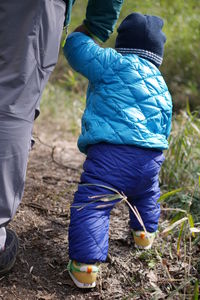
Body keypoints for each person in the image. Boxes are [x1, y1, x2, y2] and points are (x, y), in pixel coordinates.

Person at [0, 0, 124, 275]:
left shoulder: (110, 65)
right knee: (12, 100)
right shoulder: (157, 83)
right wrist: (96, 24)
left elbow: (81, 54)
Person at [63, 12, 172, 288]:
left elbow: (76, 49)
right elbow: (165, 127)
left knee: (94, 203)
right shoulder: (162, 85)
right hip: (150, 157)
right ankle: (144, 235)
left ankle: (86, 267)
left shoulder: (113, 62)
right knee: (146, 193)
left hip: (111, 155)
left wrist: (83, 30)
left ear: (122, 44)